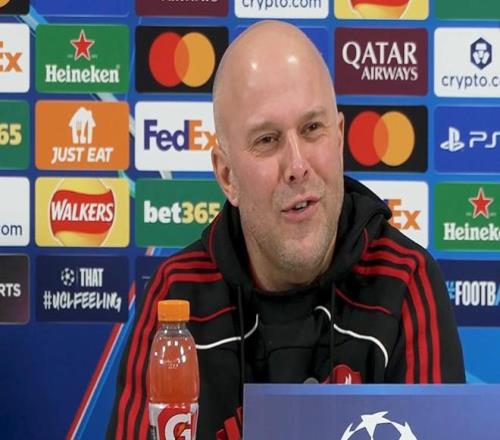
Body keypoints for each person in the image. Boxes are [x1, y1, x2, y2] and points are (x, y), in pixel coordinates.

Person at [108, 20, 465, 440]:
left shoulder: (403, 279)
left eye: (312, 129)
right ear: (226, 176)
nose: (297, 166)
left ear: (339, 140)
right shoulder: (176, 299)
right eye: (267, 140)